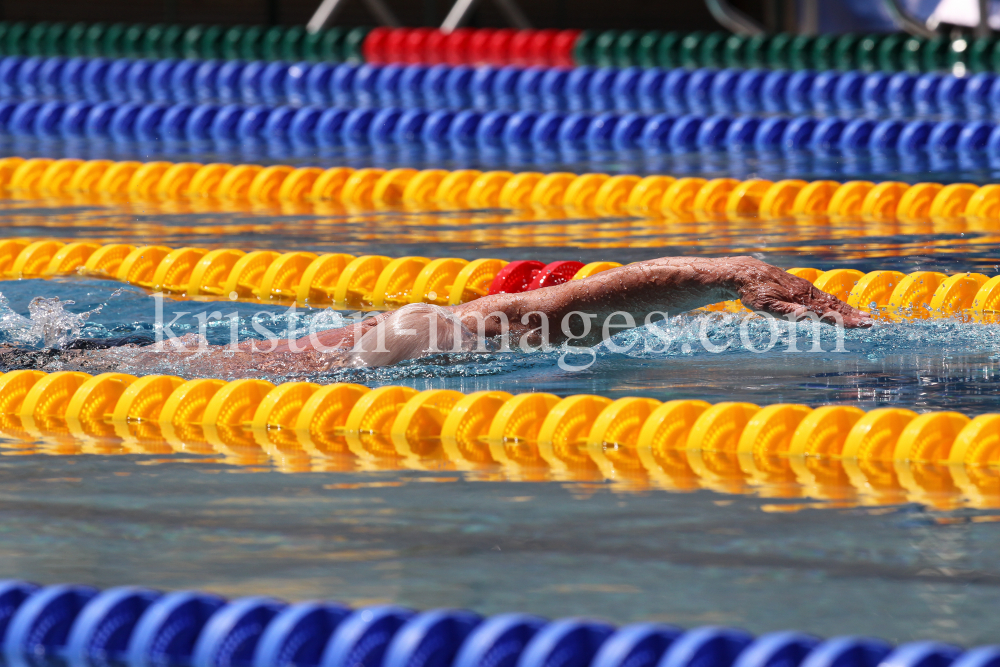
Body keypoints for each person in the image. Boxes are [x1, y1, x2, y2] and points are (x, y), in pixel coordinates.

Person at [1, 256, 873, 376]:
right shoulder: (451, 326)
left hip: (347, 357)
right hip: (311, 363)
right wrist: (730, 271)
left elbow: (551, 306)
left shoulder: (451, 327)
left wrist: (728, 273)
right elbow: (551, 307)